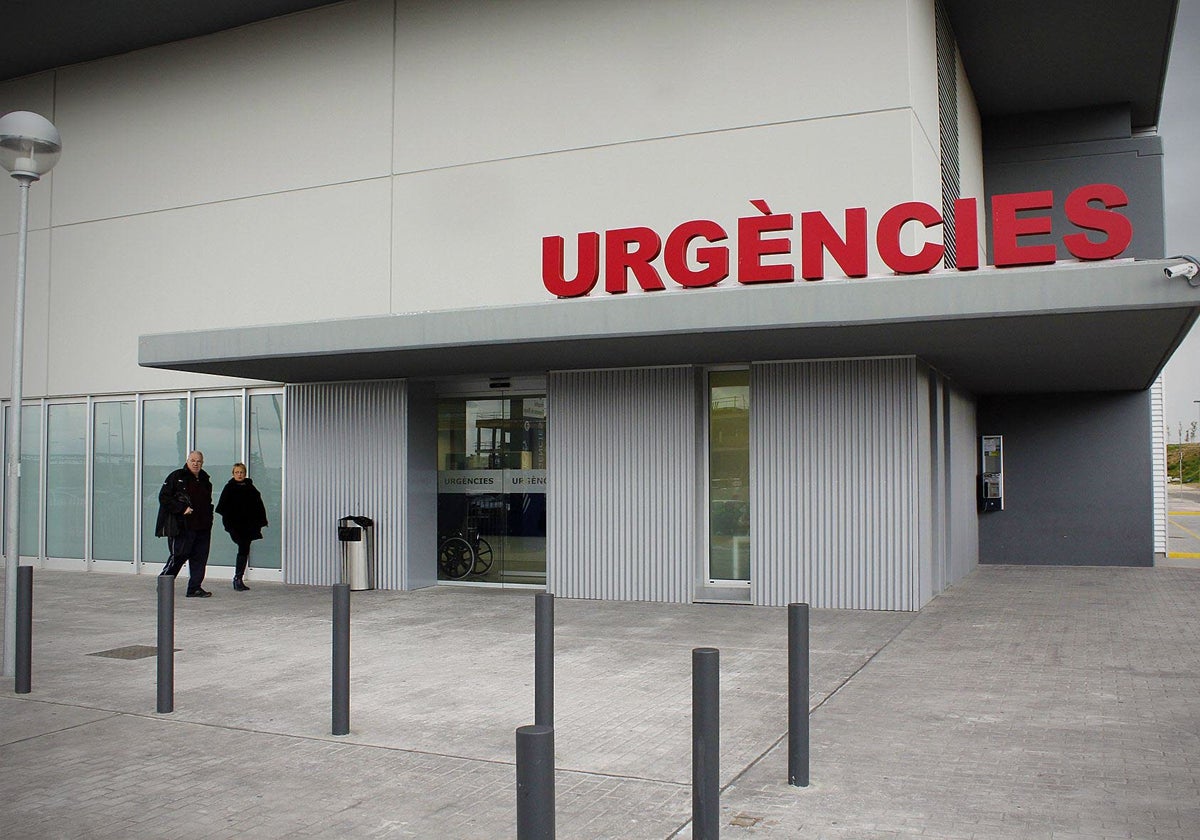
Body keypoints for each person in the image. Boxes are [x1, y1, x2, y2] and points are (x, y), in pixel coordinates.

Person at [155, 450, 215, 598]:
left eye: (199, 461)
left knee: (199, 558)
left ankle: (194, 588)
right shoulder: (177, 477)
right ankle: (164, 585)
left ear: (202, 463)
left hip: (202, 527)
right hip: (183, 526)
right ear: (187, 461)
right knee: (178, 556)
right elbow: (164, 497)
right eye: (193, 460)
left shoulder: (205, 479)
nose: (196, 463)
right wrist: (182, 509)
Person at [215, 462, 269, 592]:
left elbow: (258, 505)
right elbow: (223, 507)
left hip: (248, 525)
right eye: (237, 472)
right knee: (243, 547)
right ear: (233, 474)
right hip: (235, 525)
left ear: (245, 474)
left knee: (244, 549)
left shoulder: (251, 488)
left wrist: (260, 521)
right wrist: (229, 524)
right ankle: (237, 578)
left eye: (241, 472)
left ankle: (238, 578)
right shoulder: (229, 488)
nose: (239, 475)